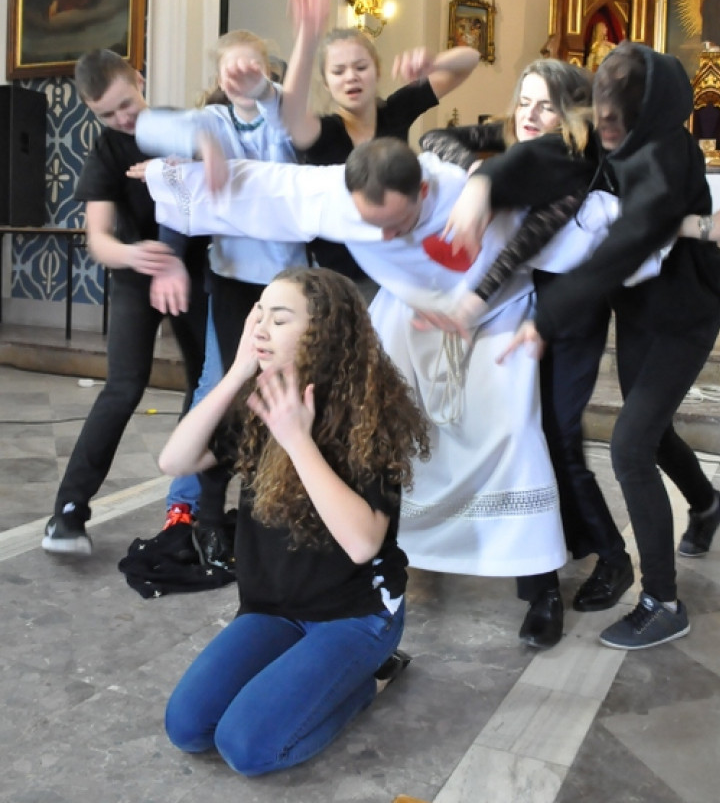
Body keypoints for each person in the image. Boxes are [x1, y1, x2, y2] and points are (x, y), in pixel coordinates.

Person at [140, 139, 635, 645]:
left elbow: (588, 217)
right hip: (410, 317)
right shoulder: (342, 195)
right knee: (373, 428)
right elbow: (268, 188)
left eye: (396, 223)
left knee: (513, 436)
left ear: (422, 189)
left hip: (493, 320)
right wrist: (172, 176)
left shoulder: (470, 192)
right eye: (372, 224)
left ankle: (539, 587)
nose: (384, 235)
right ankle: (373, 570)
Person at [445, 41, 720, 650]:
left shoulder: (666, 152)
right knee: (649, 433)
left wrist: (547, 317)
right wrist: (485, 183)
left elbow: (627, 242)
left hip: (684, 316)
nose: (605, 121)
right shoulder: (602, 141)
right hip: (637, 314)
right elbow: (542, 156)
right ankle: (706, 504)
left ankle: (662, 601)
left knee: (630, 446)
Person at [161, 267, 429, 776]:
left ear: (321, 334)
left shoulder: (367, 416)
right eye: (258, 313)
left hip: (355, 615)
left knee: (249, 749)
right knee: (188, 727)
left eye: (279, 318)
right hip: (273, 608)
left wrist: (297, 440)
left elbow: (361, 544)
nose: (260, 326)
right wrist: (237, 372)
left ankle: (372, 678)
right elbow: (175, 461)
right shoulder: (258, 399)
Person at [420, 59, 634, 648]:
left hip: (567, 315)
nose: (533, 116)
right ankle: (554, 555)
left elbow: (522, 246)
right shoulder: (515, 142)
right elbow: (434, 137)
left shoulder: (579, 163)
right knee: (528, 439)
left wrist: (472, 300)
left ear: (571, 112)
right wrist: (479, 168)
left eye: (546, 105)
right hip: (516, 314)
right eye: (524, 102)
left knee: (555, 437)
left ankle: (604, 560)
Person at [133, 28, 308, 565]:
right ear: (218, 78)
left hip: (290, 281)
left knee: (284, 395)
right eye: (231, 69)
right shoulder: (212, 122)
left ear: (268, 72)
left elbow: (297, 130)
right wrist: (193, 151)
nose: (241, 76)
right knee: (228, 394)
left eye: (252, 67)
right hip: (233, 280)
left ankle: (267, 513)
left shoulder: (281, 120)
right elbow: (149, 125)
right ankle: (209, 515)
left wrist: (273, 88)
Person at [41, 50, 208, 555]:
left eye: (125, 105)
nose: (121, 120)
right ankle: (68, 513)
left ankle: (190, 505)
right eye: (106, 114)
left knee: (206, 384)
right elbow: (99, 240)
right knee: (123, 386)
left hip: (199, 269)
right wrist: (138, 254)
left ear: (140, 78)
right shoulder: (107, 150)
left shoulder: (183, 125)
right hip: (140, 271)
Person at [280, 0, 480, 299]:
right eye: (339, 71)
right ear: (326, 84)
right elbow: (291, 113)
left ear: (377, 71)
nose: (351, 77)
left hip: (398, 268)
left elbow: (470, 61)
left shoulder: (395, 110)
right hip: (339, 280)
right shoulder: (324, 132)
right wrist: (307, 38)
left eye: (360, 66)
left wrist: (436, 61)